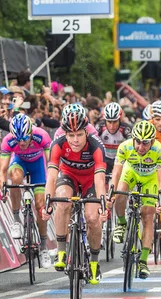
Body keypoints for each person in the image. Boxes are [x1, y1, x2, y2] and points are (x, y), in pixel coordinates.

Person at [41, 104, 108, 284]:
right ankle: (61, 251)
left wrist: (103, 204)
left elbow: (100, 180)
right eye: (71, 135)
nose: (75, 140)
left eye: (79, 135)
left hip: (90, 180)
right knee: (62, 201)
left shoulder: (96, 146)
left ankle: (94, 264)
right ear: (65, 134)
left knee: (92, 218)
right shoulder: (58, 144)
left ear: (86, 132)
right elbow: (52, 178)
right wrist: (48, 201)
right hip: (68, 175)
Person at [111, 121, 161, 279]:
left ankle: (143, 261)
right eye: (138, 142)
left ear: (153, 142)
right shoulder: (125, 147)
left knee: (148, 215)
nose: (141, 147)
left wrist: (160, 200)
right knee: (120, 191)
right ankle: (121, 223)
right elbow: (116, 173)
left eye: (145, 143)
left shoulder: (159, 150)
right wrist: (111, 194)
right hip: (131, 174)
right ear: (132, 139)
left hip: (150, 179)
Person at [0, 114, 52, 269]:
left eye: (24, 139)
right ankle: (16, 219)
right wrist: (3, 188)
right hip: (19, 163)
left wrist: (52, 184)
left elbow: (51, 163)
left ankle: (43, 247)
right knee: (14, 179)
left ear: (30, 134)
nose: (21, 143)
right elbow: (2, 170)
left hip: (38, 167)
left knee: (41, 206)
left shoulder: (41, 136)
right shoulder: (8, 140)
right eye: (18, 139)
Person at [95, 102, 133, 174]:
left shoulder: (126, 128)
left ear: (120, 120)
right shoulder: (100, 126)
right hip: (104, 158)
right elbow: (93, 143)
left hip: (119, 158)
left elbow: (131, 144)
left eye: (115, 122)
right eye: (109, 122)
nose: (112, 126)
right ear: (105, 120)